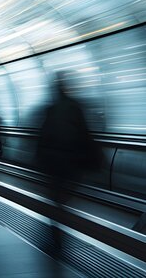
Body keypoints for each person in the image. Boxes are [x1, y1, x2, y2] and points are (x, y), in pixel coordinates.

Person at [36, 72, 102, 253]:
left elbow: (43, 136)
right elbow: (85, 134)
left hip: (52, 161)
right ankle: (59, 227)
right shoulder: (75, 107)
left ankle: (55, 231)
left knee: (55, 197)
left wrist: (39, 159)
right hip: (71, 161)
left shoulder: (50, 109)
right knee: (63, 197)